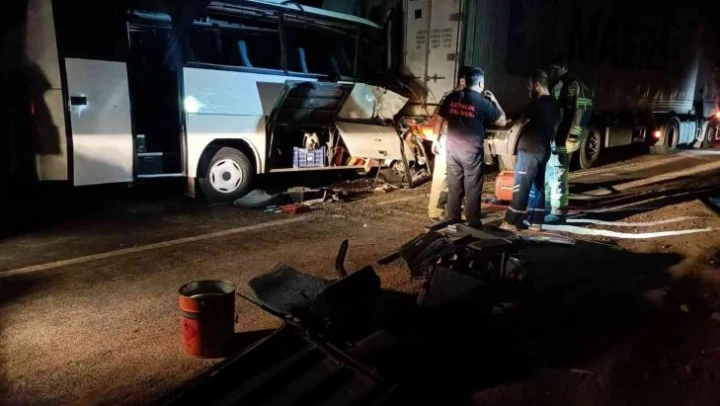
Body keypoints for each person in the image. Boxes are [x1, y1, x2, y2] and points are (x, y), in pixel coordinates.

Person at [434, 68, 507, 228]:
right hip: (471, 151)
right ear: (480, 83)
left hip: (452, 149)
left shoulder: (452, 97)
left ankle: (453, 218)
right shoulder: (483, 102)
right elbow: (502, 121)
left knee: (454, 185)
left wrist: (435, 139)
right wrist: (495, 100)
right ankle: (472, 222)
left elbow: (439, 117)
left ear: (464, 81)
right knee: (472, 187)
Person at [500, 70, 560, 232]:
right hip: (544, 150)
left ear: (537, 84)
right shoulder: (555, 105)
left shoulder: (535, 104)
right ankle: (536, 221)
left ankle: (511, 221)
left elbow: (521, 123)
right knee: (538, 185)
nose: (528, 89)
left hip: (530, 149)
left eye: (529, 85)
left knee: (521, 186)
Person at [546, 54, 593, 224]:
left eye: (555, 69)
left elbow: (581, 110)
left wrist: (573, 134)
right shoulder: (559, 84)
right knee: (550, 172)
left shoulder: (575, 84)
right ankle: (548, 207)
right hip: (556, 135)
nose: (552, 72)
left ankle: (558, 212)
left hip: (564, 135)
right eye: (551, 69)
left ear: (564, 67)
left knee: (558, 172)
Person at [428, 65, 473, 220]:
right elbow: (438, 118)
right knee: (442, 177)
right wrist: (436, 140)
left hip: (461, 142)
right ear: (462, 80)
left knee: (459, 177)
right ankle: (436, 210)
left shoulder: (467, 97)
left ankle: (457, 210)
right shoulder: (451, 97)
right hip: (448, 140)